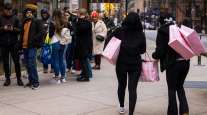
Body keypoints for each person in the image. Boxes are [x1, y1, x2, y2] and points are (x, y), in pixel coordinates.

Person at [152, 16, 190, 115]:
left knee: (172, 89)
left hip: (173, 64)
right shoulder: (179, 28)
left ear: (160, 23)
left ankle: (172, 113)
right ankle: (185, 112)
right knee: (180, 87)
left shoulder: (162, 32)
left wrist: (154, 56)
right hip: (185, 62)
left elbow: (160, 51)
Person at [112, 12, 146, 115]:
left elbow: (110, 43)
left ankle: (122, 107)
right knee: (132, 88)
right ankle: (131, 112)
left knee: (121, 85)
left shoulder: (119, 31)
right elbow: (143, 50)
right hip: (135, 63)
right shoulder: (141, 34)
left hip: (121, 62)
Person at [20, 8, 44, 89]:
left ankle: (36, 82)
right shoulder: (24, 22)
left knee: (32, 64)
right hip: (24, 46)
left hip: (32, 46)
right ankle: (31, 81)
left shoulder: (36, 21)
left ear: (33, 14)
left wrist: (34, 39)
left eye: (30, 12)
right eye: (27, 13)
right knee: (27, 65)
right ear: (25, 14)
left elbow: (41, 32)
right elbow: (22, 34)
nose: (29, 14)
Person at [0, 3, 23, 86]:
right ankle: (7, 79)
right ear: (4, 10)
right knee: (5, 62)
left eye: (10, 10)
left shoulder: (16, 18)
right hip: (3, 43)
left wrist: (13, 29)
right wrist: (3, 28)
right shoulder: (0, 18)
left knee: (16, 62)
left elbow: (20, 30)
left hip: (14, 43)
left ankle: (19, 79)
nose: (9, 11)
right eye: (7, 10)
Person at [49, 9, 71, 84]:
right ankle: (63, 77)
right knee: (62, 59)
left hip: (55, 42)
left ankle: (57, 76)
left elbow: (51, 34)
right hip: (63, 43)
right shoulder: (65, 22)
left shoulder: (52, 23)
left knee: (56, 60)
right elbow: (71, 30)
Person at [75, 8, 93, 81]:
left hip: (84, 45)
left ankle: (86, 76)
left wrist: (79, 20)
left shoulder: (85, 22)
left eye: (78, 13)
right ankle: (84, 74)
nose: (77, 15)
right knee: (83, 60)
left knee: (84, 60)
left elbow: (79, 30)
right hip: (83, 44)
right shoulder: (86, 22)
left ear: (80, 14)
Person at [40, 8, 53, 73]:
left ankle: (52, 67)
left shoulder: (50, 21)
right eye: (43, 13)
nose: (44, 15)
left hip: (50, 39)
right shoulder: (40, 21)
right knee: (44, 54)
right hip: (43, 39)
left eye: (45, 13)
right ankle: (45, 68)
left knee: (51, 53)